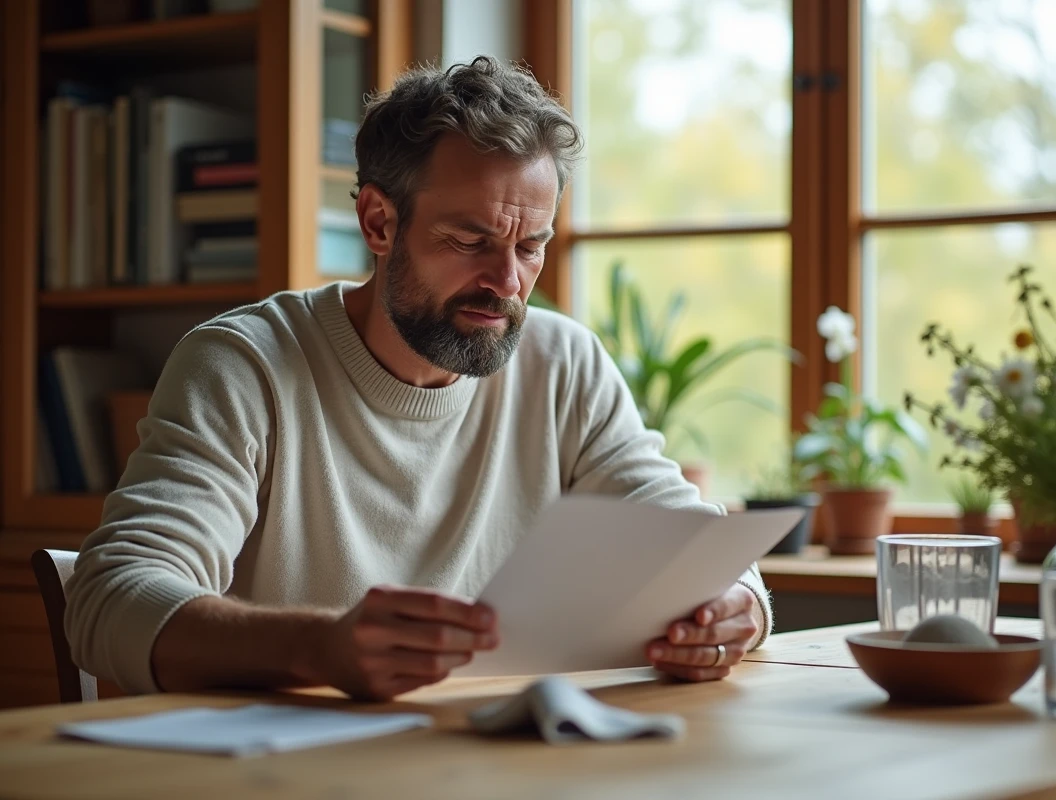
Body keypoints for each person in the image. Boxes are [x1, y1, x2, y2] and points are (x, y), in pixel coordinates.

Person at [64, 56, 774, 700]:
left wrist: (734, 605)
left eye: (531, 247)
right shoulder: (245, 366)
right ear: (378, 222)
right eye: (470, 241)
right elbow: (109, 600)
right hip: (288, 769)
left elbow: (691, 543)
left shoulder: (564, 365)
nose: (508, 283)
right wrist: (319, 648)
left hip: (498, 764)